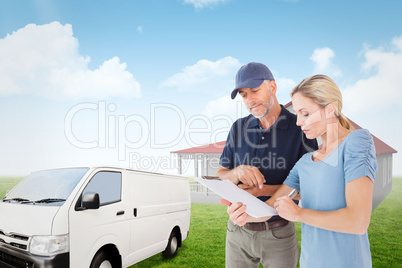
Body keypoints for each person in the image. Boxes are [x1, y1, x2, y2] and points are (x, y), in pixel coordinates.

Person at [223, 74, 378, 268]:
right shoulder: (305, 162)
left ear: (330, 109)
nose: (298, 122)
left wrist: (299, 214)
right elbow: (272, 205)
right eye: (297, 113)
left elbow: (358, 221)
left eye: (305, 113)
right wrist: (245, 214)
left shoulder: (357, 142)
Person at [216, 62, 318, 267]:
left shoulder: (300, 129)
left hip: (279, 234)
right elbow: (221, 174)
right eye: (244, 95)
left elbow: (310, 190)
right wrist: (236, 172)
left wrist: (260, 190)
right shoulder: (238, 128)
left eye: (255, 90)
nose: (250, 100)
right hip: (237, 232)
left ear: (272, 87)